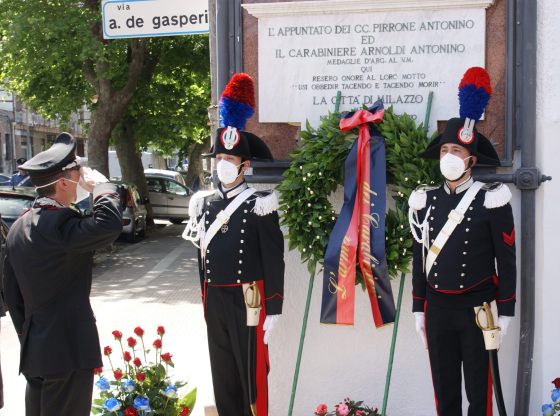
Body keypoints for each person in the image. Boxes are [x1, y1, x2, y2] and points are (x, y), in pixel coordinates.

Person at [408, 68, 516, 415]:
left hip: (479, 309)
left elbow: (507, 260)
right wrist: (417, 307)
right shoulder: (424, 200)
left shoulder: (492, 198)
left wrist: (508, 309)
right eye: (444, 150)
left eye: (457, 150)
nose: (449, 157)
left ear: (471, 159)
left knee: (479, 395)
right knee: (445, 394)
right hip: (438, 309)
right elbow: (420, 255)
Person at [183, 73, 284, 416]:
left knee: (251, 376)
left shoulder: (260, 204)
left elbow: (274, 259)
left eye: (230, 160)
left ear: (245, 164)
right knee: (223, 374)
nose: (223, 165)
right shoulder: (204, 204)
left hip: (248, 298)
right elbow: (202, 261)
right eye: (219, 160)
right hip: (216, 298)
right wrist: (205, 299)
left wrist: (275, 307)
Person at [3, 132, 123, 416]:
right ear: (62, 182)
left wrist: (29, 335)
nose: (82, 178)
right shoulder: (60, 224)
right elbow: (109, 225)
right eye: (77, 173)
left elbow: (11, 294)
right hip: (67, 351)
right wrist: (103, 187)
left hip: (36, 350)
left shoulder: (19, 228)